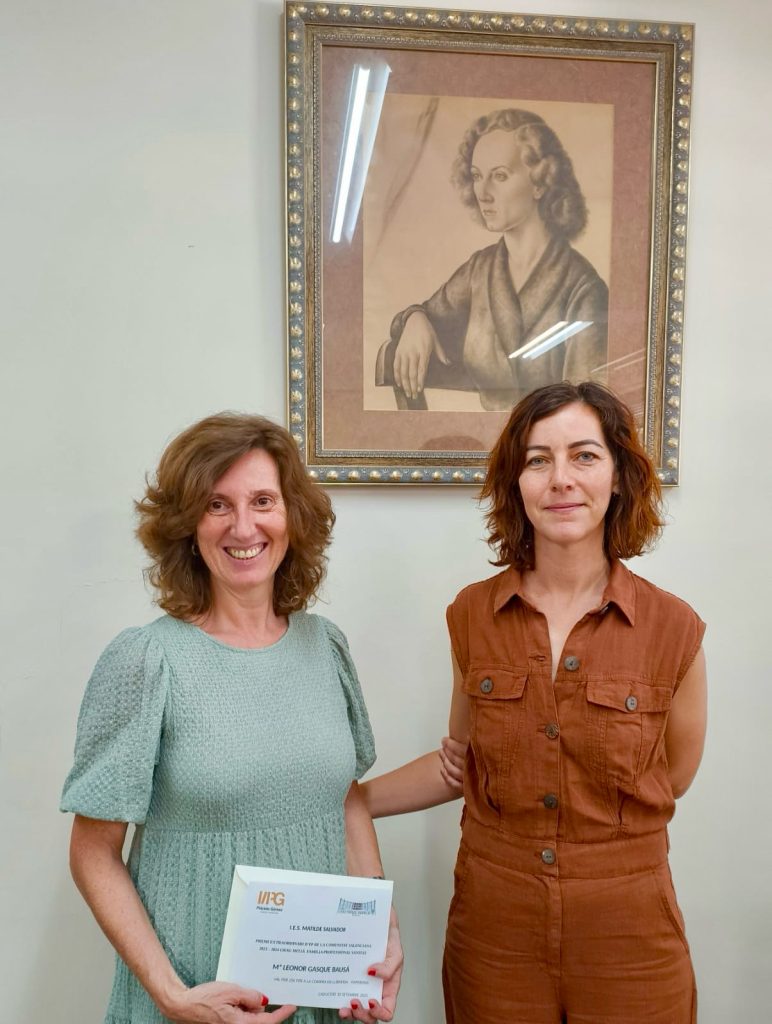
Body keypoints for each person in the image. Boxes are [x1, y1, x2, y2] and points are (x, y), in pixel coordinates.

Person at [362, 381, 707, 1023]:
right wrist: (350, 800)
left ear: (618, 477)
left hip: (629, 930)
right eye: (538, 460)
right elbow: (462, 763)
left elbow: (675, 777)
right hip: (495, 930)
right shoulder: (471, 615)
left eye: (584, 455)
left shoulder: (674, 627)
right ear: (516, 483)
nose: (561, 479)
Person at [60, 413, 402, 1024]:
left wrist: (381, 929)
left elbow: (345, 799)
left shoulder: (326, 646)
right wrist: (171, 994)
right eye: (217, 505)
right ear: (187, 527)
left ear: (292, 517)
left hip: (321, 999)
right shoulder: (147, 659)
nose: (243, 527)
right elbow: (93, 851)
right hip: (195, 997)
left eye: (263, 501)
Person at [390, 109, 609, 410]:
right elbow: (428, 312)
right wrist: (415, 319)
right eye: (477, 176)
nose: (483, 192)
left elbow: (586, 410)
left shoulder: (584, 289)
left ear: (540, 182)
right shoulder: (480, 270)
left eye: (500, 176)